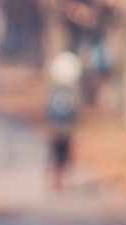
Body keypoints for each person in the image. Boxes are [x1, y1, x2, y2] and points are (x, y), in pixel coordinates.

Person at [45, 50, 81, 192]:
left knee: (57, 154)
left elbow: (47, 107)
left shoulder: (53, 89)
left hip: (57, 128)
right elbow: (77, 108)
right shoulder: (72, 90)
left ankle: (59, 180)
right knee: (63, 154)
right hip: (65, 128)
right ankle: (61, 180)